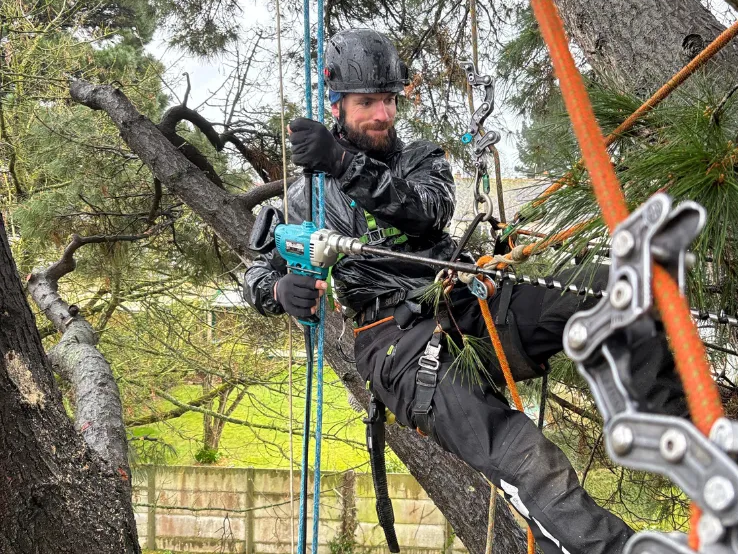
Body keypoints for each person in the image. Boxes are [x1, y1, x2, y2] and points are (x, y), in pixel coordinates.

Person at [243, 28, 686, 554]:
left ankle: (684, 440)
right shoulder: (305, 199)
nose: (382, 114)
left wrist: (345, 164)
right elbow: (256, 274)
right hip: (398, 344)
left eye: (388, 100)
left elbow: (423, 212)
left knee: (619, 287)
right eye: (366, 103)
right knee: (525, 456)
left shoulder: (421, 161)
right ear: (336, 106)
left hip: (468, 296)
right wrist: (279, 291)